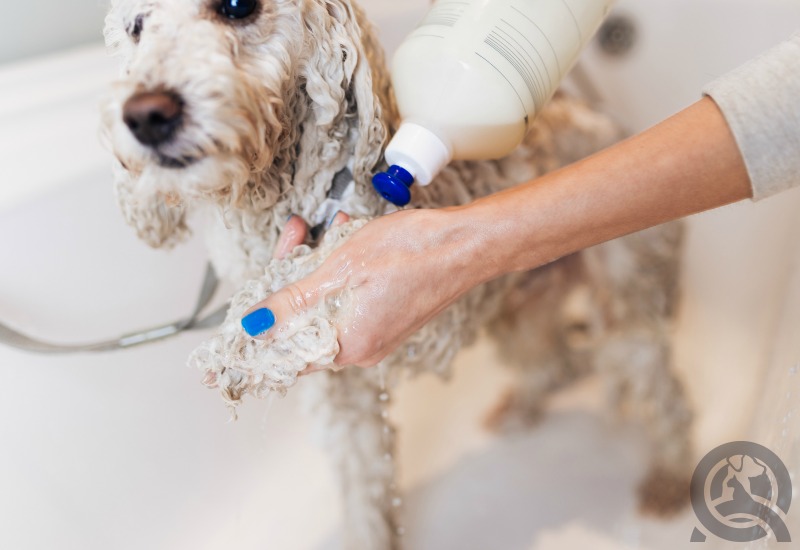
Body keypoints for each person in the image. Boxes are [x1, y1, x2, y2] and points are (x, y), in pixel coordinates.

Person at [240, 32, 800, 370]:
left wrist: (458, 247)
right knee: (520, 331)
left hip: (608, 162)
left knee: (634, 334)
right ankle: (546, 375)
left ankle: (671, 449)